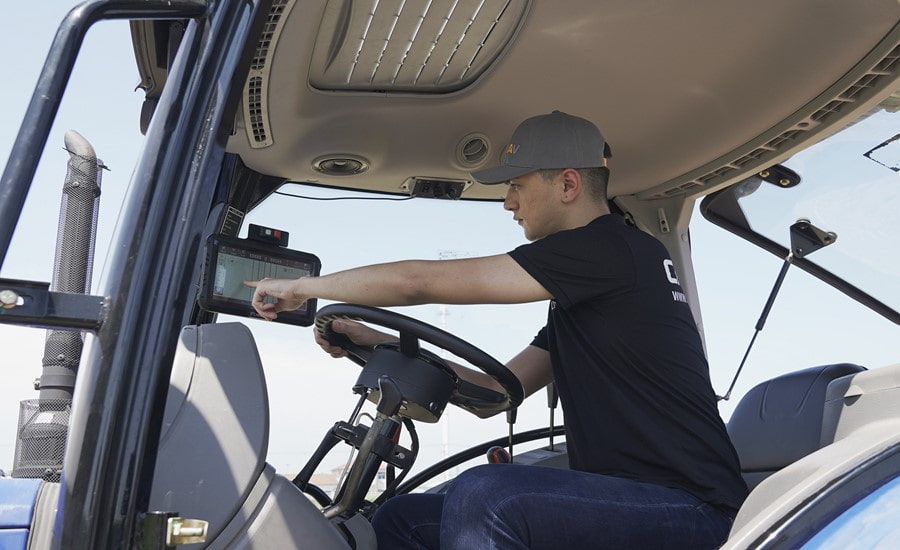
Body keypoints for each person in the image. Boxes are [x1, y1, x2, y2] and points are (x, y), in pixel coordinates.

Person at [246, 111, 748, 549]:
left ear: (568, 185)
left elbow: (418, 282)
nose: (508, 202)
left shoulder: (612, 250)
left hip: (692, 510)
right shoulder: (591, 293)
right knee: (402, 518)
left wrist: (305, 287)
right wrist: (377, 342)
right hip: (630, 500)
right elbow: (497, 394)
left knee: (486, 493)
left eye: (517, 185)